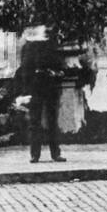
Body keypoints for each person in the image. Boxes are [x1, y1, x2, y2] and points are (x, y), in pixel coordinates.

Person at [15, 25, 66, 163]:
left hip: (49, 86)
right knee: (35, 121)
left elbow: (59, 65)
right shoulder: (28, 47)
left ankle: (54, 153)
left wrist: (54, 73)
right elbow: (24, 70)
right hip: (35, 88)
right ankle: (35, 154)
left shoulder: (49, 45)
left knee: (51, 121)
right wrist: (26, 91)